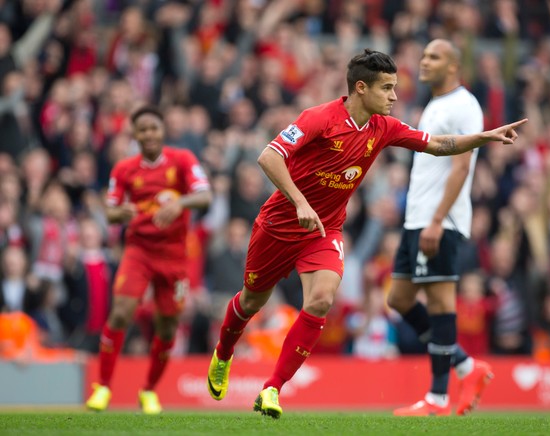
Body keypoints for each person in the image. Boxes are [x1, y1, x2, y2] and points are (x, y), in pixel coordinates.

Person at [206, 48, 526, 419]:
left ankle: (272, 389)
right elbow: (268, 156)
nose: (394, 96)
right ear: (361, 88)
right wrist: (299, 202)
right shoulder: (319, 118)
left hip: (324, 230)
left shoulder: (385, 128)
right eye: (387, 88)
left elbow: (438, 145)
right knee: (250, 302)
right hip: (279, 225)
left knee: (321, 300)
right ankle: (223, 354)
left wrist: (484, 137)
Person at [386, 39, 493, 417]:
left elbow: (462, 168)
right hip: (416, 219)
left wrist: (436, 221)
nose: (423, 61)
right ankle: (466, 367)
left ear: (453, 66)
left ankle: (438, 398)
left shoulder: (464, 105)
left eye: (433, 56)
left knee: (441, 303)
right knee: (398, 298)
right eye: (424, 55)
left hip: (439, 222)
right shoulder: (434, 103)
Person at [85, 106, 212, 414]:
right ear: (135, 135)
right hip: (139, 251)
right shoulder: (124, 169)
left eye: (153, 128)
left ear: (162, 130)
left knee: (167, 327)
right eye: (142, 129)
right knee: (120, 314)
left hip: (174, 256)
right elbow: (111, 210)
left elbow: (205, 196)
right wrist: (121, 213)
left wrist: (180, 202)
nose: (149, 134)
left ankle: (149, 391)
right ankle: (102, 387)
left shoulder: (182, 160)